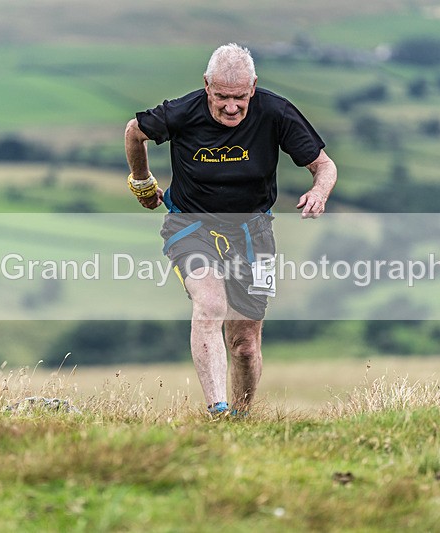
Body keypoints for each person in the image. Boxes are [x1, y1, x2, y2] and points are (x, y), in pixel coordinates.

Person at [124, 43, 337, 415]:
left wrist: (319, 192)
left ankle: (241, 416)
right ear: (207, 85)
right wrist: (141, 182)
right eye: (222, 96)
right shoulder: (182, 112)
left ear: (253, 87)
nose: (232, 107)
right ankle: (218, 410)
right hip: (190, 224)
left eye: (240, 97)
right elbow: (134, 131)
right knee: (210, 304)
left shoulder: (276, 112)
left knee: (245, 344)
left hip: (254, 232)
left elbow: (324, 165)